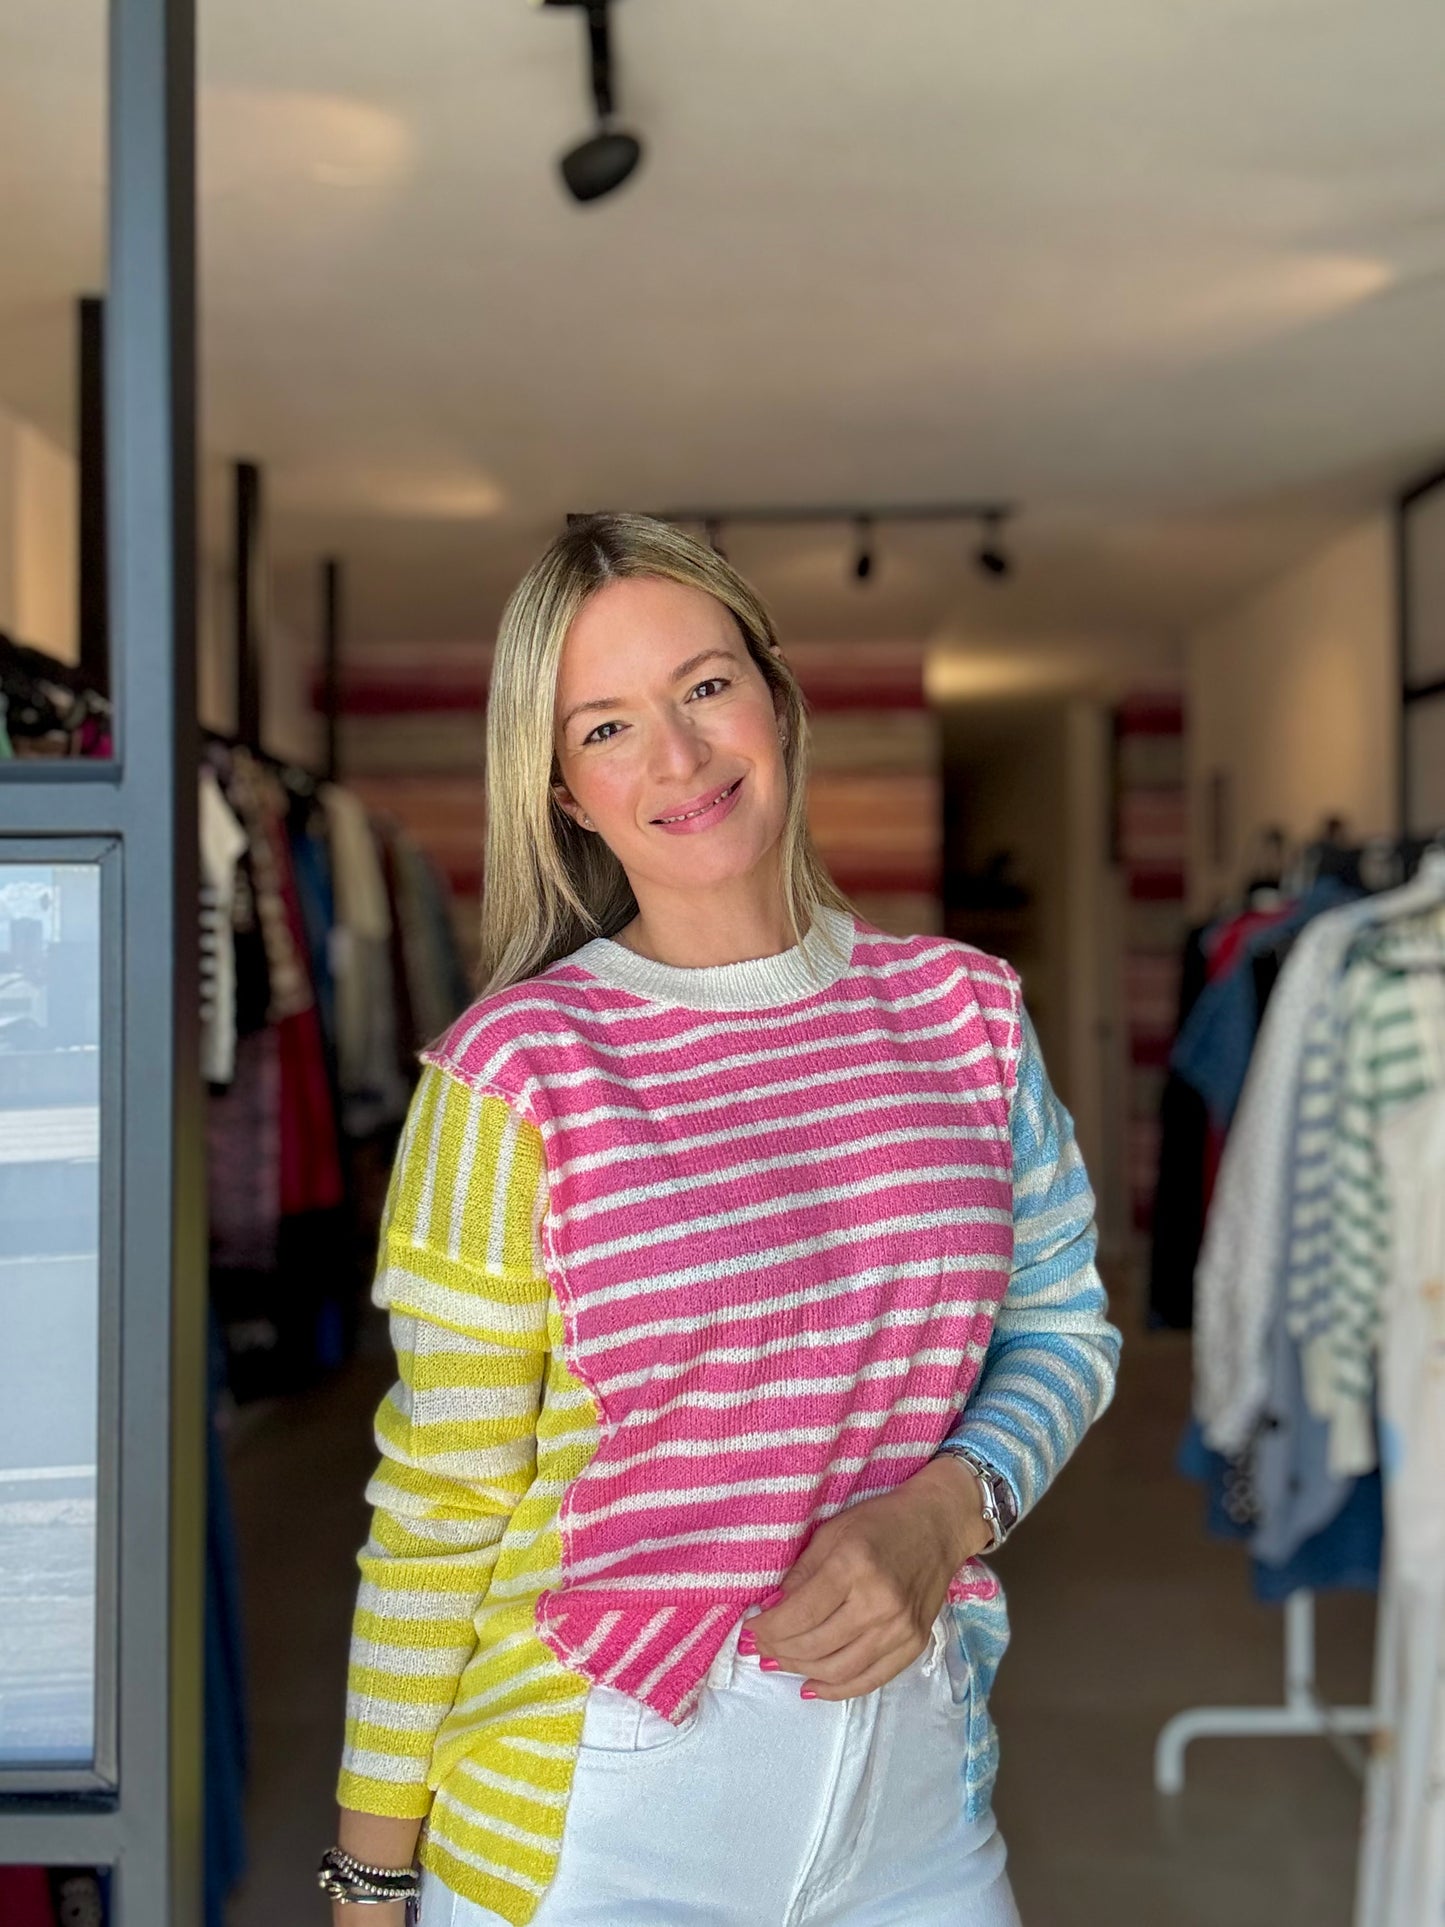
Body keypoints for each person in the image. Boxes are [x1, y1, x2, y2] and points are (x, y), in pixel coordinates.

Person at [321, 513, 1121, 1927]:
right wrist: (369, 1875)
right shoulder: (517, 1074)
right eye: (607, 728)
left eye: (702, 688)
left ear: (778, 699)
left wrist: (947, 1510)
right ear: (564, 790)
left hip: (918, 1799)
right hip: (594, 1825)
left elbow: (1061, 1323)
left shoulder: (963, 1014)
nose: (677, 759)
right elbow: (442, 1502)